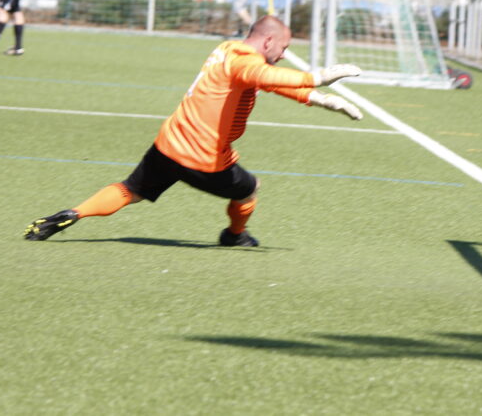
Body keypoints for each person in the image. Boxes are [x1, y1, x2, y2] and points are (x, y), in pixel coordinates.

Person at [24, 15, 364, 246]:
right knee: (249, 190)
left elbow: (265, 82)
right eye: (284, 48)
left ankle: (72, 214)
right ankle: (234, 235)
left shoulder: (227, 51)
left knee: (130, 190)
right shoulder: (248, 64)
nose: (285, 55)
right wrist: (316, 78)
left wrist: (318, 99)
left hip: (169, 143)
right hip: (204, 158)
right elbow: (266, 78)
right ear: (269, 40)